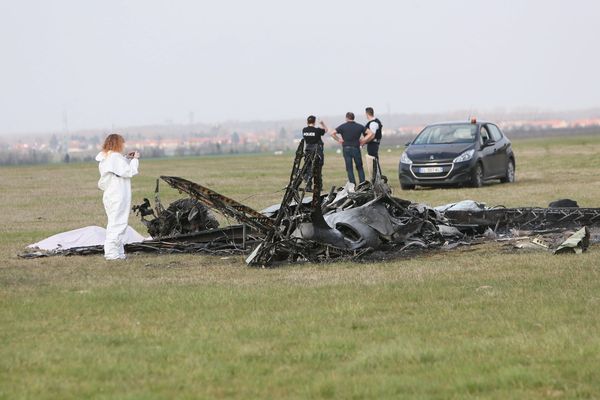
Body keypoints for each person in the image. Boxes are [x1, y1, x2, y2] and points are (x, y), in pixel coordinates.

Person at [95, 134, 140, 260]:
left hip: (111, 194)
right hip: (118, 195)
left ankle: (118, 252)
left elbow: (118, 169)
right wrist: (135, 159)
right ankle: (111, 254)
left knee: (115, 223)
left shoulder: (106, 157)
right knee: (118, 224)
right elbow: (128, 172)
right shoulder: (114, 157)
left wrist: (126, 158)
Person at [331, 112, 374, 185]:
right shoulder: (359, 126)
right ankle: (362, 184)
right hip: (356, 148)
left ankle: (352, 184)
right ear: (353, 118)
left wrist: (339, 140)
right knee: (359, 167)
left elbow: (332, 133)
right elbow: (370, 133)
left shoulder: (342, 126)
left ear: (346, 118)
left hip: (346, 148)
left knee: (349, 168)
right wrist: (363, 139)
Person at [302, 115, 328, 191]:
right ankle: (318, 187)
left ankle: (308, 186)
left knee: (309, 168)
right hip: (317, 150)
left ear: (307, 122)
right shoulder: (317, 130)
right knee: (318, 169)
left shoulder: (304, 130)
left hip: (307, 151)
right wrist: (322, 124)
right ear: (314, 122)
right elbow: (326, 130)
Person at [363, 107, 383, 178]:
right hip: (373, 143)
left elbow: (372, 135)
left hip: (373, 144)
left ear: (367, 114)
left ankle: (377, 178)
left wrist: (363, 142)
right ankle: (378, 177)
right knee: (374, 161)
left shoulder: (373, 123)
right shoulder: (375, 122)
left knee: (373, 161)